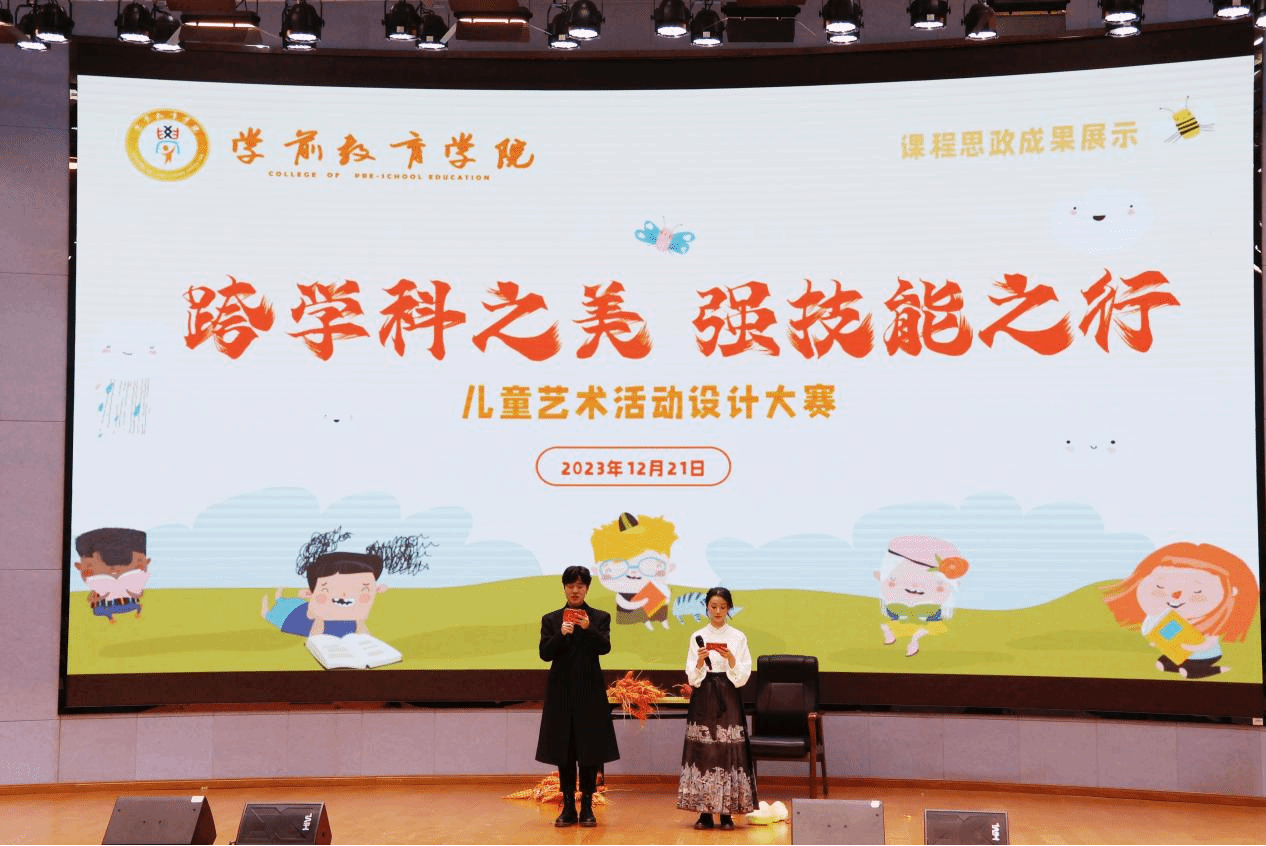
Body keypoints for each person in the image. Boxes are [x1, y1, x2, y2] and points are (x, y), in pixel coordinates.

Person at [535, 565, 620, 828]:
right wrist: (561, 634)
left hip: (590, 693)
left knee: (589, 750)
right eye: (570, 586)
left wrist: (588, 628)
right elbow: (545, 654)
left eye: (580, 586)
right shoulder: (551, 619)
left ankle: (587, 807)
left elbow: (604, 647)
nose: (575, 590)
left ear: (587, 589)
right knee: (564, 750)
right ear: (564, 588)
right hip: (561, 694)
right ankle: (568, 806)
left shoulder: (599, 617)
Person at [677, 587, 757, 830]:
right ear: (706, 607)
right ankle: (704, 813)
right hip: (704, 696)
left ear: (729, 608)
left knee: (728, 751)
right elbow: (692, 676)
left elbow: (743, 676)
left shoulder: (738, 637)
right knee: (703, 752)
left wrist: (731, 659)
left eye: (723, 607)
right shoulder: (697, 636)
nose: (718, 611)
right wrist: (700, 661)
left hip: (729, 695)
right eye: (713, 607)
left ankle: (726, 813)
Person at [73, 528, 151, 623]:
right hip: (108, 606)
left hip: (126, 604)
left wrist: (131, 593)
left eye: (137, 567)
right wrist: (100, 597)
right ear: (79, 567)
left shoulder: (135, 585)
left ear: (147, 562)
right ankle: (111, 618)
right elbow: (92, 600)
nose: (115, 574)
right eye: (91, 568)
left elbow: (139, 595)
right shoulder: (97, 589)